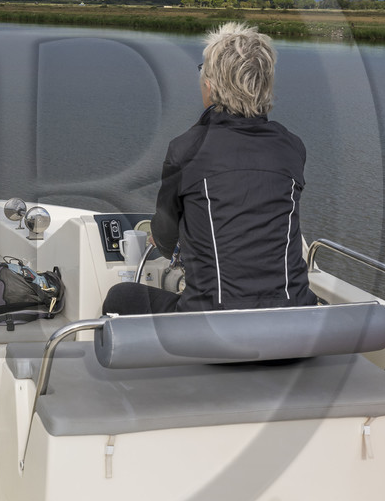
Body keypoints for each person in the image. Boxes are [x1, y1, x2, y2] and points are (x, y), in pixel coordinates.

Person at [103, 21, 318, 315]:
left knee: (120, 296)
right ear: (264, 84)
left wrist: (169, 242)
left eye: (202, 71)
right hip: (294, 321)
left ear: (213, 84)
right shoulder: (291, 147)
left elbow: (166, 238)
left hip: (213, 327)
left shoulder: (187, 149)